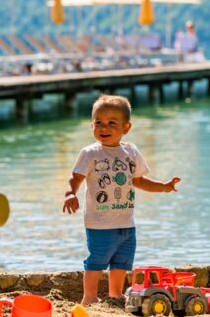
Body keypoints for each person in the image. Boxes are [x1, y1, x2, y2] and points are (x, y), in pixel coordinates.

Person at [63, 95, 181, 306]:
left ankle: (115, 294)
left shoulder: (131, 152)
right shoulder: (90, 153)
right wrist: (70, 193)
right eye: (98, 122)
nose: (104, 128)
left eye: (112, 123)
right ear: (92, 125)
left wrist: (163, 186)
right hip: (99, 223)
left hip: (126, 223)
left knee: (122, 262)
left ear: (126, 127)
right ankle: (89, 296)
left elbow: (139, 181)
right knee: (96, 260)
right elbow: (76, 177)